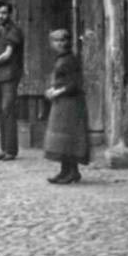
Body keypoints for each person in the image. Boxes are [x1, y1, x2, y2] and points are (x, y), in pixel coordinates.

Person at [43, 29, 89, 184]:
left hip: (70, 103)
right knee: (62, 138)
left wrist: (56, 92)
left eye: (64, 40)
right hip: (62, 103)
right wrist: (53, 89)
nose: (61, 43)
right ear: (51, 43)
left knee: (69, 137)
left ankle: (72, 171)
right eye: (57, 40)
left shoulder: (70, 60)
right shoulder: (61, 59)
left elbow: (74, 84)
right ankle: (65, 171)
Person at [0, 0, 24, 161]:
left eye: (4, 13)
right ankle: (3, 148)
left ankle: (11, 150)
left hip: (9, 76)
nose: (1, 16)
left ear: (10, 13)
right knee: (1, 112)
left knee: (8, 110)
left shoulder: (14, 31)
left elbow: (8, 54)